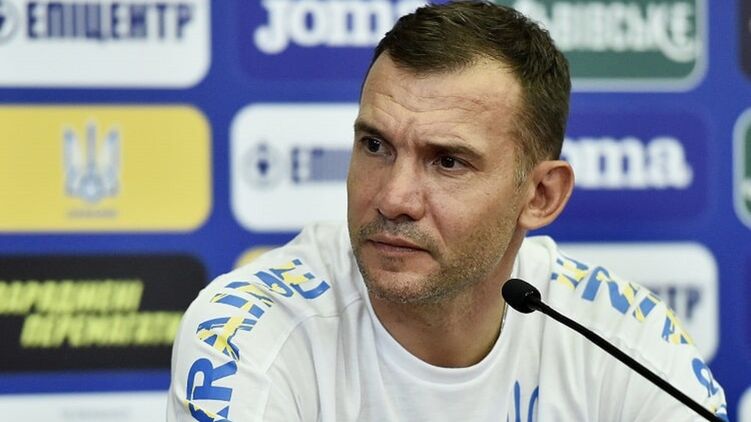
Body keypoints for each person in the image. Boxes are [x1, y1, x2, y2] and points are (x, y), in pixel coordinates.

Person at [167, 2, 727, 421]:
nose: (394, 199)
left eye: (448, 162)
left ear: (540, 196)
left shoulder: (620, 337)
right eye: (375, 146)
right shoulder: (251, 334)